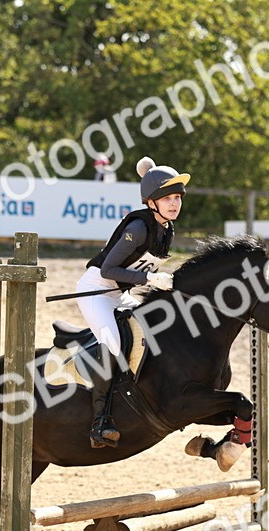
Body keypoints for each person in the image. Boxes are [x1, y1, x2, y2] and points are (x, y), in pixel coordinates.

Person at [75, 156, 185, 448]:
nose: (174, 204)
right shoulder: (138, 227)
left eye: (177, 198)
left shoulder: (167, 230)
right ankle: (99, 424)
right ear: (151, 202)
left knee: (155, 332)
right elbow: (110, 270)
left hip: (121, 294)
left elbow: (142, 268)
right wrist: (150, 281)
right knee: (112, 344)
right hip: (97, 291)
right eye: (167, 198)